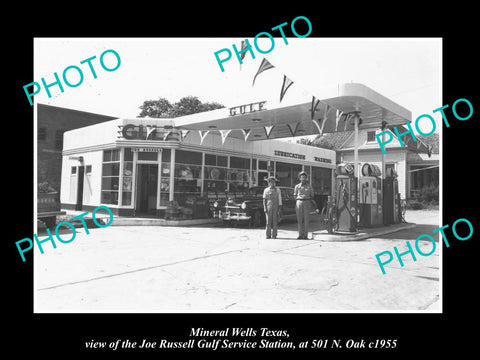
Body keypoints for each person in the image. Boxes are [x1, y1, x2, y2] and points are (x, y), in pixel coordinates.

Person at [294, 171, 314, 239]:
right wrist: (299, 200)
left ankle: (305, 235)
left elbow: (312, 195)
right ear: (300, 178)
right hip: (299, 202)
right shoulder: (297, 186)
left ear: (306, 178)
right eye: (302, 177)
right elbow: (295, 195)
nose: (303, 179)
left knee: (306, 219)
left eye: (304, 177)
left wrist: (307, 199)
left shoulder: (309, 186)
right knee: (299, 220)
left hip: (307, 202)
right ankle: (300, 235)